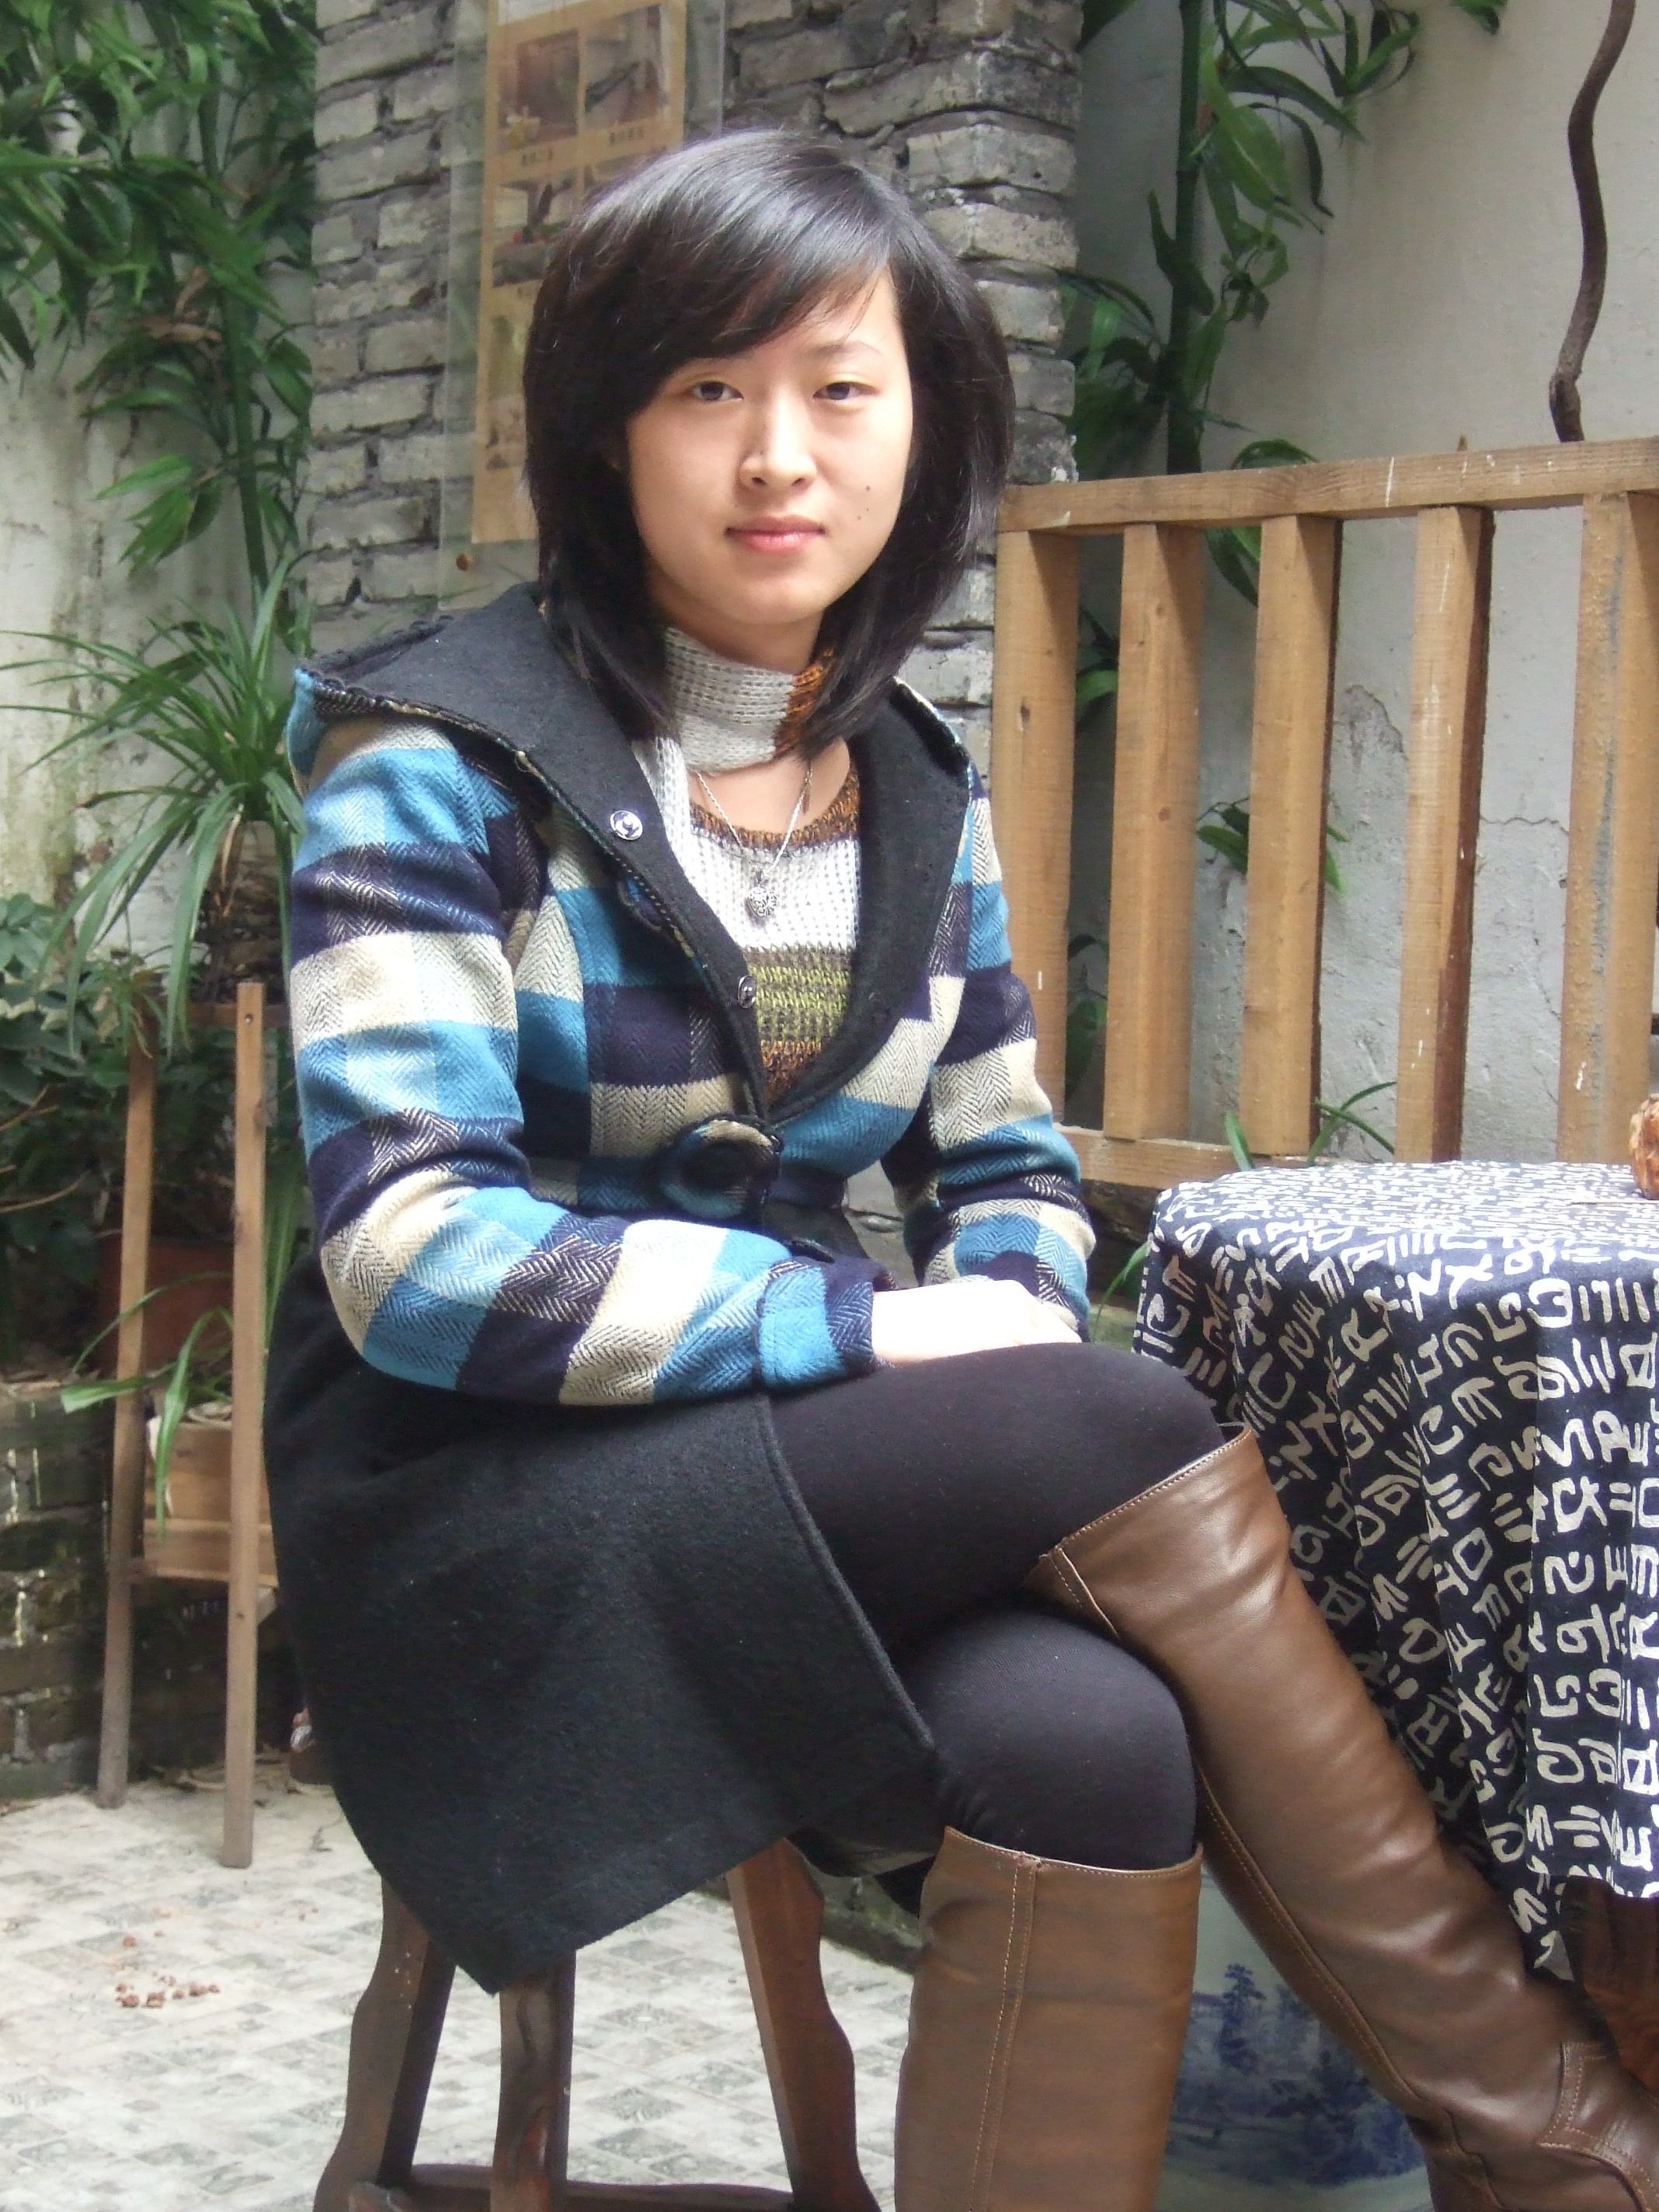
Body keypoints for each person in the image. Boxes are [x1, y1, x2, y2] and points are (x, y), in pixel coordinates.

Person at [268, 132, 1659, 2212]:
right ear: (606, 428)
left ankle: (1551, 2150)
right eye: (708, 389)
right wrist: (875, 1325)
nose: (780, 456)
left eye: (841, 388)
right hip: (466, 1502)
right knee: (1101, 1410)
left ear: (923, 425)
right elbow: (413, 1257)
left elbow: (1005, 1158)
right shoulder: (436, 759)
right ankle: (1562, 2141)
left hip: (745, 1479)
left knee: (1099, 1745)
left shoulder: (914, 780)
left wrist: (994, 1287)